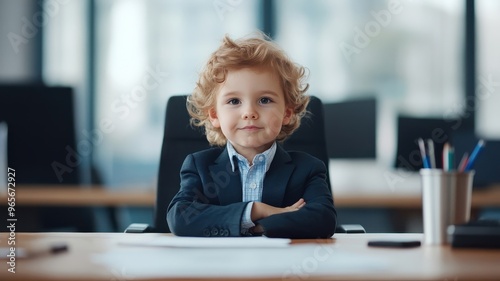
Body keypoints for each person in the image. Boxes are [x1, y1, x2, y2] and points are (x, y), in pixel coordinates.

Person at [167, 33, 337, 238]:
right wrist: (255, 210)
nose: (249, 112)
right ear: (214, 115)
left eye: (264, 100)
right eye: (234, 101)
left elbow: (323, 219)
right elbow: (180, 217)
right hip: (218, 268)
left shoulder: (308, 169)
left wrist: (262, 226)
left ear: (287, 113)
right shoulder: (199, 166)